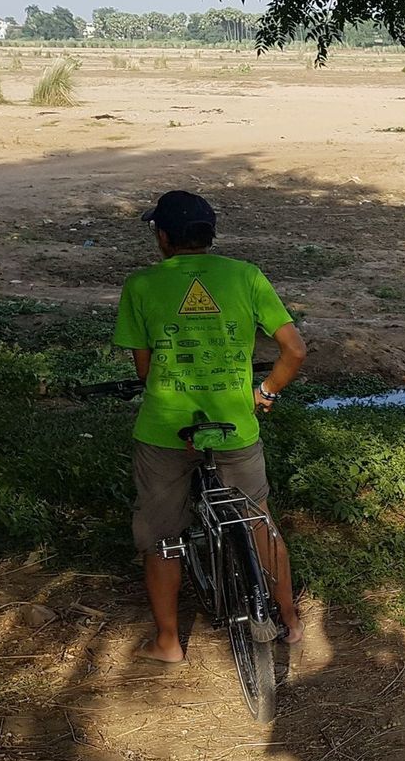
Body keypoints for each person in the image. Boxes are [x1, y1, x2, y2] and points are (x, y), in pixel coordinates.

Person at [114, 190, 308, 663]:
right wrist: (266, 392)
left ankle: (168, 643)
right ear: (210, 234)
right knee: (258, 518)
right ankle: (290, 619)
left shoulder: (141, 284)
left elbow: (144, 371)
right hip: (234, 426)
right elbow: (295, 350)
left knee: (162, 536)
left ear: (163, 236)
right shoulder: (246, 276)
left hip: (166, 431)